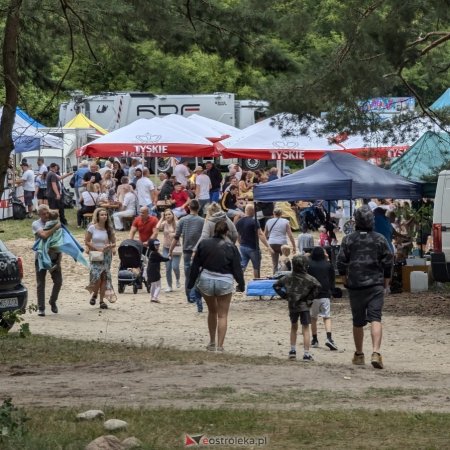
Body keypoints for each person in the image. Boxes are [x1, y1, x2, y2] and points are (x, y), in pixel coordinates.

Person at [337, 205, 394, 369]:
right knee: (376, 318)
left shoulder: (348, 239)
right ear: (371, 221)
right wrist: (386, 280)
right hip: (375, 284)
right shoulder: (380, 239)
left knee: (358, 321)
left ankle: (359, 354)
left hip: (355, 285)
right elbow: (388, 260)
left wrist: (344, 278)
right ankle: (376, 352)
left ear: (356, 221)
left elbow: (341, 261)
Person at [187, 221, 245, 352]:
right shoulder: (231, 247)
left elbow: (195, 265)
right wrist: (241, 284)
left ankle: (212, 342)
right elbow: (237, 269)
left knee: (212, 311)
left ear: (214, 231)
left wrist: (190, 284)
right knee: (222, 315)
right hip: (224, 280)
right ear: (227, 232)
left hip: (206, 279)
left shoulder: (203, 244)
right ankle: (220, 346)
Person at [273, 255, 321, 361]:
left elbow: (276, 285)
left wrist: (285, 296)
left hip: (292, 305)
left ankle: (292, 351)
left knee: (293, 327)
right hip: (304, 306)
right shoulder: (309, 278)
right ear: (305, 265)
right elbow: (318, 287)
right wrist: (309, 299)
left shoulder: (287, 277)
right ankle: (306, 354)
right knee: (305, 328)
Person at [169, 199, 205, 312]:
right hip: (200, 251)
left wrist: (170, 250)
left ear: (188, 207)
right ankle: (197, 295)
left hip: (187, 250)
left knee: (188, 274)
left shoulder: (182, 220)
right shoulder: (203, 221)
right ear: (198, 208)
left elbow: (176, 237)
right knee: (199, 274)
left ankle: (190, 296)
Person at [32, 205, 63, 316]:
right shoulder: (36, 224)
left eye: (47, 213)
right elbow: (44, 235)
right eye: (43, 214)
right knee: (41, 283)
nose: (45, 215)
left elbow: (60, 238)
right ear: (39, 214)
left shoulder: (54, 220)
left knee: (58, 281)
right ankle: (41, 308)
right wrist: (56, 227)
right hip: (40, 257)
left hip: (55, 256)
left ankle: (52, 301)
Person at [85, 207, 117, 309]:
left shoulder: (109, 229)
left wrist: (110, 247)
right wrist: (96, 248)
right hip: (95, 255)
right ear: (98, 216)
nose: (104, 216)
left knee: (104, 277)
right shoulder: (92, 228)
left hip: (106, 255)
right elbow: (87, 241)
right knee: (96, 276)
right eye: (102, 215)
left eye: (105, 215)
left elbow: (114, 243)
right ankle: (95, 294)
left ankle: (101, 301)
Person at [307, 247, 338, 351]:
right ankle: (329, 338)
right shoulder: (328, 265)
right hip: (325, 294)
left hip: (312, 295)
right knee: (327, 317)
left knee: (313, 318)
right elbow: (332, 279)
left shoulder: (309, 265)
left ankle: (315, 339)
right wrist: (332, 291)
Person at [235, 203, 273, 279]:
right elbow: (260, 234)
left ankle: (239, 281)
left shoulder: (239, 222)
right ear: (253, 212)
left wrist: (240, 243)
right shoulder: (254, 221)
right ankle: (256, 281)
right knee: (256, 267)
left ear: (245, 211)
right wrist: (268, 246)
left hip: (243, 246)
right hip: (253, 247)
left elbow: (238, 235)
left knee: (243, 265)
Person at [265, 208, 296, 274]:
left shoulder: (268, 221)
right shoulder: (285, 221)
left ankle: (274, 277)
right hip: (283, 243)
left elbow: (265, 235)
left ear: (273, 213)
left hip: (272, 243)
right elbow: (290, 235)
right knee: (286, 261)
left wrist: (267, 245)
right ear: (281, 214)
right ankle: (285, 274)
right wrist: (294, 246)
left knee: (274, 263)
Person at [156, 209, 181, 292]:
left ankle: (177, 279)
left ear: (173, 215)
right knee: (168, 268)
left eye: (169, 214)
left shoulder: (177, 223)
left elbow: (181, 233)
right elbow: (157, 227)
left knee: (175, 266)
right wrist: (161, 218)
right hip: (166, 248)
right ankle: (169, 286)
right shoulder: (164, 223)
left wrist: (174, 234)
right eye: (166, 215)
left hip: (176, 248)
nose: (167, 216)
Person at [146, 239, 170, 303]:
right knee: (158, 286)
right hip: (155, 271)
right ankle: (155, 297)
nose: (158, 246)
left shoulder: (150, 252)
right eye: (156, 245)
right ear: (152, 245)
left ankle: (152, 297)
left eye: (158, 244)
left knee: (153, 285)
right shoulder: (155, 253)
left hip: (150, 271)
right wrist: (169, 258)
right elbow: (163, 259)